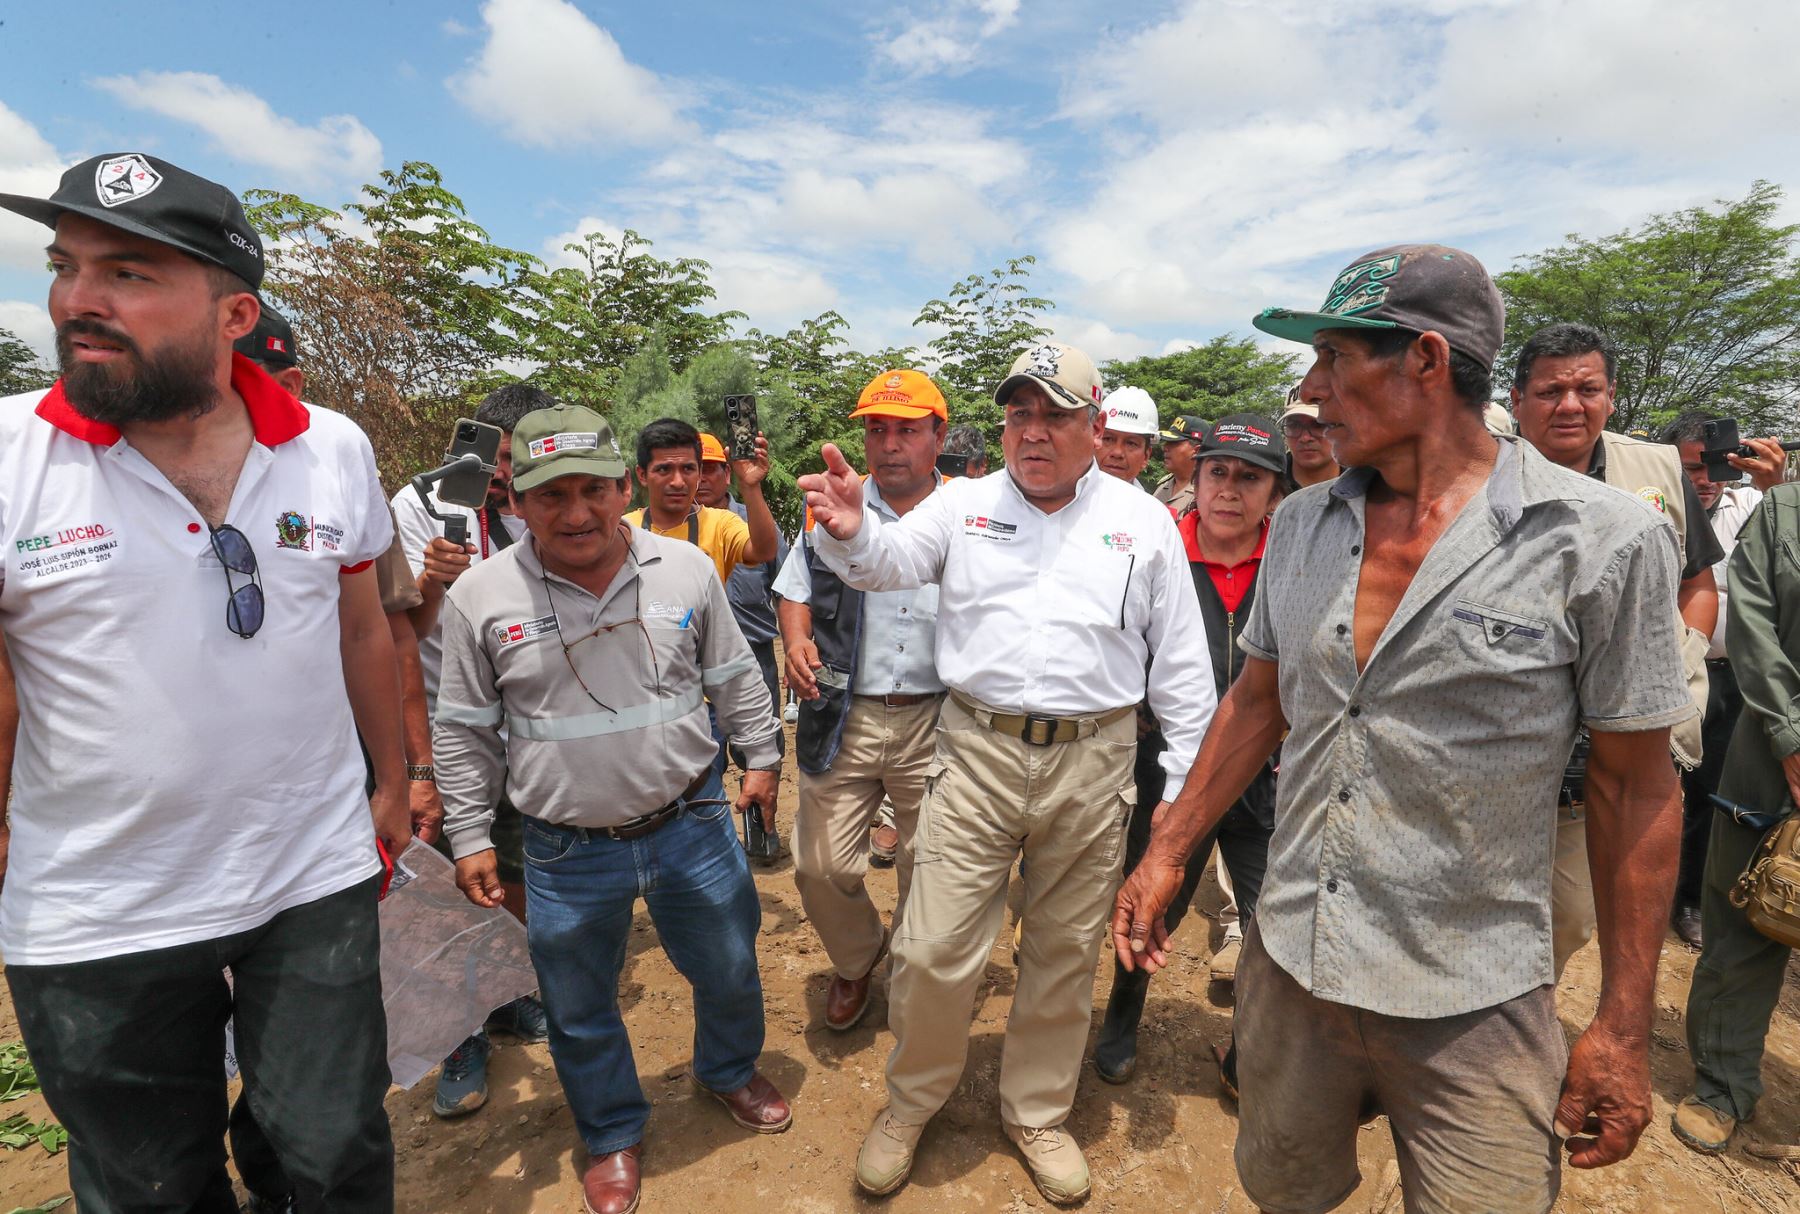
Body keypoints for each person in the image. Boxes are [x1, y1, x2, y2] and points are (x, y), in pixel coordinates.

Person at [1116, 245, 1692, 1214]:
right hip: (1294, 958)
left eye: (1336, 358)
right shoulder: (1303, 525)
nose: (1312, 388)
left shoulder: (1601, 539)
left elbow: (1636, 786)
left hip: (1472, 990)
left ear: (1426, 361)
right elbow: (1256, 703)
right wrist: (1168, 848)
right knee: (1284, 1183)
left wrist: (1623, 1024)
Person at [0, 153, 410, 1209]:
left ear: (235, 314)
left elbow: (363, 628)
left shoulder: (330, 448)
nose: (79, 300)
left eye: (129, 273)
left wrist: (392, 780)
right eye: (68, 265)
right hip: (97, 904)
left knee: (334, 1153)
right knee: (150, 1184)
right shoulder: (10, 456)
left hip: (308, 869)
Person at [800, 342, 1217, 1205]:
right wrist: (852, 531)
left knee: (1062, 952)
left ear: (1094, 426)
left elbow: (1182, 678)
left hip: (1095, 763)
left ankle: (1036, 1111)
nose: (1034, 431)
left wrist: (1177, 808)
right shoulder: (963, 506)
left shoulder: (1142, 524)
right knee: (931, 949)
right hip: (976, 751)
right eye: (1020, 412)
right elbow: (889, 562)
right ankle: (912, 1102)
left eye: (1055, 414)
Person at [434, 403, 792, 1214]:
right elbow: (462, 732)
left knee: (731, 967)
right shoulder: (479, 596)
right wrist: (467, 836)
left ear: (621, 486)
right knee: (578, 1004)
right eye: (549, 495)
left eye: (592, 490)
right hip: (563, 849)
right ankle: (612, 1130)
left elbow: (735, 674)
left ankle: (728, 1070)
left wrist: (763, 757)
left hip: (693, 825)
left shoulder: (685, 570)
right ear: (514, 503)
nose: (575, 513)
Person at [226, 307, 446, 1214]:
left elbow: (390, 640)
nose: (254, 396)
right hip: (151, 846)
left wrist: (406, 777)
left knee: (325, 1037)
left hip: (328, 810)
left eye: (272, 378)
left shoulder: (332, 463)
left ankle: (282, 1169)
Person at [1511, 322, 1722, 975]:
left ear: (1611, 396)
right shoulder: (1477, 476)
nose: (1569, 405)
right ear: (1516, 400)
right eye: (1549, 391)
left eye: (1587, 389)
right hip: (1502, 737)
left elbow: (1698, 585)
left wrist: (1675, 663)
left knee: (1568, 917)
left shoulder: (1656, 471)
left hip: (1606, 748)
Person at [1093, 413, 1283, 1087]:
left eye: (1250, 478)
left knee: (1271, 922)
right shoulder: (1158, 551)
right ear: (1195, 479)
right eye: (1218, 473)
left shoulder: (1293, 564)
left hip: (1268, 777)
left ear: (1275, 493)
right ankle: (1122, 1013)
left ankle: (1247, 1047)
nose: (1231, 490)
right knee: (1152, 900)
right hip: (1172, 772)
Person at [392, 382, 555, 1120]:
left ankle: (508, 994)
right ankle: (458, 1033)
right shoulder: (417, 507)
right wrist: (431, 579)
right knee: (442, 886)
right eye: (494, 457)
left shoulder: (542, 508)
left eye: (516, 464)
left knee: (512, 866)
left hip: (519, 725)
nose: (500, 477)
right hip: (440, 724)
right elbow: (397, 636)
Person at [776, 369, 948, 1033]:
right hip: (844, 711)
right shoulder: (828, 509)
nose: (889, 444)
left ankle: (909, 972)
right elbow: (795, 587)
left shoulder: (971, 513)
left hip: (939, 719)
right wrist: (795, 640)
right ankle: (857, 957)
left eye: (907, 430)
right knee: (819, 866)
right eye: (878, 429)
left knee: (928, 864)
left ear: (938, 433)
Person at [1674, 481, 1800, 1154]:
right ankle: (1722, 1084)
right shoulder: (1782, 515)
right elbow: (1750, 622)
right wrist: (1790, 735)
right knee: (1747, 918)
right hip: (1771, 759)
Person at [1661, 412, 1788, 947]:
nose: (1706, 479)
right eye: (1693, 467)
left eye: (1717, 466)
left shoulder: (1757, 506)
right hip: (1667, 672)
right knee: (1652, 791)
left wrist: (1774, 488)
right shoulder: (1653, 503)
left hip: (1733, 678)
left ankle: (1689, 898)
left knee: (1711, 794)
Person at [696, 431, 790, 795]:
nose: (702, 479)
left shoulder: (757, 521)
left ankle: (762, 833)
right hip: (695, 664)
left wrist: (796, 646)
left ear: (728, 473)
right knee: (703, 758)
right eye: (696, 469)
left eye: (712, 469)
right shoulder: (670, 530)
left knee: (762, 751)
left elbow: (787, 588)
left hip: (755, 656)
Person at [625, 416, 776, 583]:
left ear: (698, 472)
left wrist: (750, 486)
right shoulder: (625, 530)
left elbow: (765, 552)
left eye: (688, 469)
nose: (677, 482)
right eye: (664, 469)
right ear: (642, 475)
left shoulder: (721, 525)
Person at [1279, 384, 1341, 491]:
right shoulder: (1267, 484)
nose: (1305, 438)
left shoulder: (1367, 484)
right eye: (1295, 425)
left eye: (1318, 425)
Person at [1096, 385, 1158, 484]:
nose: (1117, 453)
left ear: (1146, 456)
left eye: (1131, 443)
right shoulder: (1064, 494)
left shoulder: (1145, 500)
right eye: (1108, 439)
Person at [1153, 414, 1206, 516]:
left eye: (1174, 443)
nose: (1165, 448)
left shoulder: (1205, 495)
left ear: (1196, 450)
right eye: (1166, 442)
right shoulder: (1164, 485)